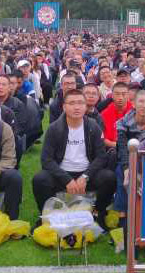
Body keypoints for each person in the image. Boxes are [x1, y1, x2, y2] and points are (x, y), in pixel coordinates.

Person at [33, 89, 115, 225]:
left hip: (86, 173)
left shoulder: (93, 126)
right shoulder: (54, 128)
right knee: (40, 179)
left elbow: (101, 156)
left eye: (80, 103)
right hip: (62, 173)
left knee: (109, 178)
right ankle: (46, 217)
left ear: (85, 106)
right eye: (71, 103)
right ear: (64, 107)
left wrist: (85, 176)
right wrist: (67, 179)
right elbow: (46, 160)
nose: (76, 107)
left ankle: (98, 213)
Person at [114, 90, 145, 227]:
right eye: (141, 101)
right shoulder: (123, 124)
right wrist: (127, 168)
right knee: (122, 173)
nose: (144, 105)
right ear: (133, 104)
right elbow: (122, 148)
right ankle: (124, 220)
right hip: (129, 160)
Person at [100, 82, 133, 148]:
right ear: (112, 95)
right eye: (117, 94)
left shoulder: (135, 112)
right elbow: (103, 139)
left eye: (123, 94)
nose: (120, 97)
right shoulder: (104, 114)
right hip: (111, 149)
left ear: (128, 96)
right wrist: (119, 146)